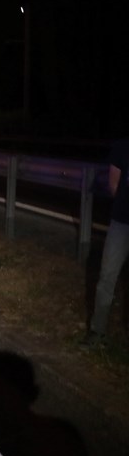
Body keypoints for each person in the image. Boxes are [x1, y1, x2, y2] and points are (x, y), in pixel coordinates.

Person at [83, 136, 129, 347]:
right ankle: (97, 332)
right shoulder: (122, 145)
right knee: (107, 276)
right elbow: (114, 183)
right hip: (121, 221)